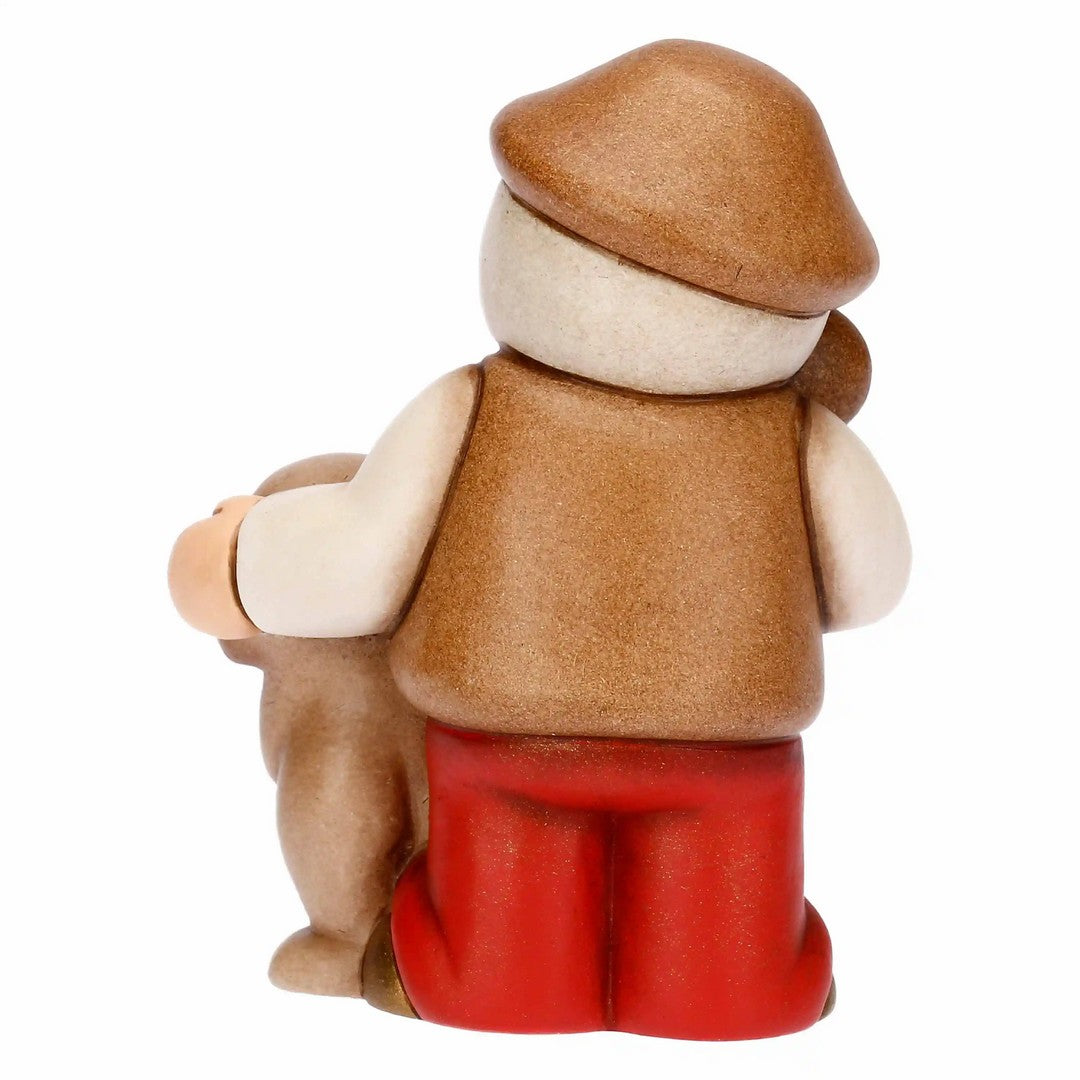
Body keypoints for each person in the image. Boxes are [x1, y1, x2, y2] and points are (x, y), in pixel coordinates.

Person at [170, 39, 910, 1040]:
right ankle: (739, 988)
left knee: (495, 972)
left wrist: (240, 563)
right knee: (726, 977)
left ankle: (489, 980)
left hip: (511, 749)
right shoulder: (801, 443)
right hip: (719, 759)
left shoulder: (473, 408)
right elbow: (871, 587)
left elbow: (362, 552)